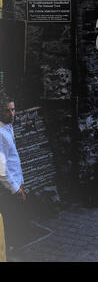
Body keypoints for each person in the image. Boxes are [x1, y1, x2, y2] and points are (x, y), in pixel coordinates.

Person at [0, 93, 27, 248]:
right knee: (11, 223)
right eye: (7, 110)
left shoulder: (8, 127)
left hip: (17, 183)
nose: (11, 114)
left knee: (18, 221)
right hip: (9, 189)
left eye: (13, 110)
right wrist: (15, 188)